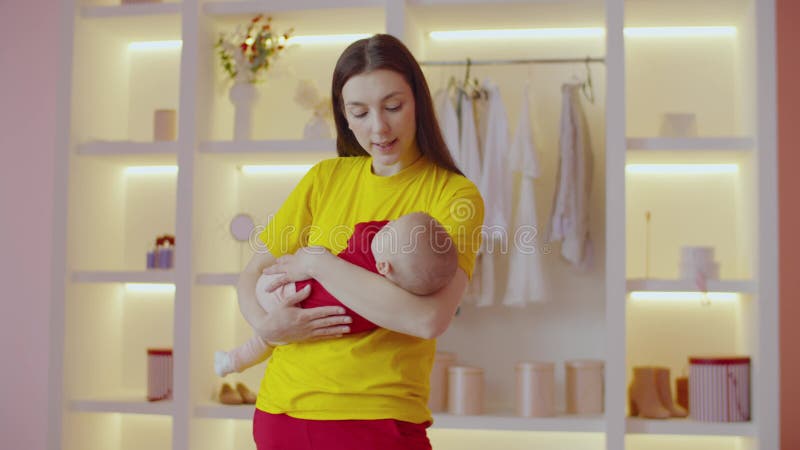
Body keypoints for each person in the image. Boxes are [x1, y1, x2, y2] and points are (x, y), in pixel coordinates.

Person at [236, 33, 484, 450]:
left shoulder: (454, 197)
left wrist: (318, 264)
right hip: (282, 411)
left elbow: (428, 319)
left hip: (378, 420)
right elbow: (252, 274)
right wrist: (266, 326)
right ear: (344, 116)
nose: (379, 127)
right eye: (360, 112)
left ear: (418, 102)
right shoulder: (324, 179)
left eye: (393, 106)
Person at [216, 212, 458, 377]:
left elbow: (364, 230)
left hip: (283, 290)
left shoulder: (365, 252)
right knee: (266, 339)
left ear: (385, 267)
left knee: (268, 336)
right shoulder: (386, 305)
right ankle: (232, 361)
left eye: (390, 229)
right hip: (288, 315)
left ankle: (233, 360)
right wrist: (264, 325)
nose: (387, 225)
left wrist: (315, 260)